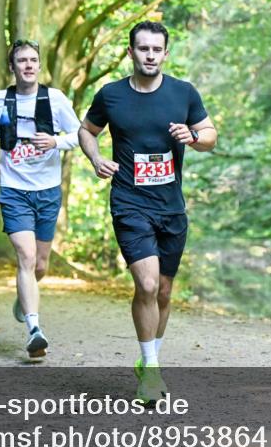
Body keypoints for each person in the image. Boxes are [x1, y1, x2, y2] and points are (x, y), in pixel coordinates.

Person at [78, 21, 216, 403]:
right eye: (143, 49)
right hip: (129, 202)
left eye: (157, 49)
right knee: (149, 284)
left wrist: (194, 137)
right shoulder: (111, 95)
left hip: (171, 208)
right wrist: (96, 158)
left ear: (166, 53)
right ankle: (151, 370)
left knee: (166, 291)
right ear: (130, 52)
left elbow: (210, 134)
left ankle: (149, 360)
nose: (150, 55)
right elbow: (86, 130)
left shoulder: (183, 93)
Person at [0, 39, 81, 359]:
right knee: (25, 256)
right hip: (13, 190)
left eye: (33, 60)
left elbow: (79, 134)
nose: (27, 65)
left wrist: (55, 142)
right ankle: (35, 330)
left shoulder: (55, 99)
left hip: (48, 190)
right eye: (21, 60)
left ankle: (24, 298)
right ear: (12, 67)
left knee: (39, 265)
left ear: (40, 65)